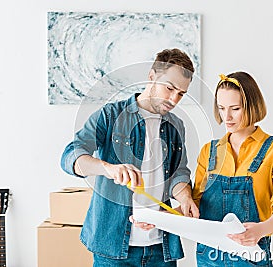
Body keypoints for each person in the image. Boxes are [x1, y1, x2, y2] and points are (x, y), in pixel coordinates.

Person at [60, 48, 200, 267]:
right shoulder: (110, 115)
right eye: (170, 88)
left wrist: (184, 198)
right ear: (152, 76)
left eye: (181, 93)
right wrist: (108, 168)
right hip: (112, 247)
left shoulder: (176, 126)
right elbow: (71, 156)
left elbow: (178, 173)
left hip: (161, 248)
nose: (174, 99)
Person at [192, 72, 273, 266]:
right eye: (222, 108)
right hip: (208, 258)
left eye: (235, 109)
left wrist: (261, 229)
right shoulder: (209, 151)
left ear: (252, 107)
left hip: (251, 255)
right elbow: (193, 205)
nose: (227, 117)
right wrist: (157, 218)